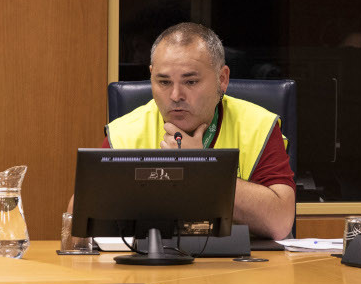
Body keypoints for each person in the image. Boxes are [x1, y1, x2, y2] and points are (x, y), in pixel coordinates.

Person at [103, 22, 296, 241]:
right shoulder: (125, 133)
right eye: (164, 82)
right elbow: (80, 218)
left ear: (222, 79)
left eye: (191, 81)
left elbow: (280, 223)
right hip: (150, 267)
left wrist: (203, 166)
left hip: (239, 267)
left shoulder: (257, 125)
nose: (176, 95)